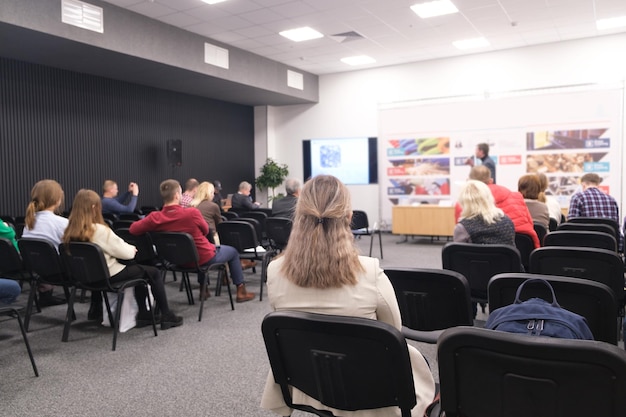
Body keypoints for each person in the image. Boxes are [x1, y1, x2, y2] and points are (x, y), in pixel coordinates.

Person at [260, 175, 435, 417]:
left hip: (307, 385)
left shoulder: (275, 271)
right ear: (349, 217)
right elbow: (393, 331)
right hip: (372, 392)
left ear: (298, 216)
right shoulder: (370, 272)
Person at [63, 189, 182, 330]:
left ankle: (138, 313)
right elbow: (126, 253)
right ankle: (166, 315)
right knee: (153, 272)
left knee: (140, 270)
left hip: (84, 278)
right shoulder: (99, 230)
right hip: (109, 276)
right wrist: (132, 249)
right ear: (94, 208)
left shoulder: (69, 231)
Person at [129, 179, 255, 302]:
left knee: (197, 251)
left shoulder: (154, 218)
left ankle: (204, 289)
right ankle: (241, 291)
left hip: (174, 260)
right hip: (201, 258)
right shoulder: (191, 213)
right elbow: (206, 231)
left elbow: (133, 229)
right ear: (177, 195)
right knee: (232, 252)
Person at [455, 166, 540, 248]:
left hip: (474, 258)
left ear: (468, 181)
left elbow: (460, 237)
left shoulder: (463, 204)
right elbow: (530, 223)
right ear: (491, 180)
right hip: (522, 251)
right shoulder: (516, 197)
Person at [22, 179, 70, 307]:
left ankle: (45, 295)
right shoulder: (62, 223)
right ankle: (96, 306)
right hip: (59, 274)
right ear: (57, 200)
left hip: (36, 271)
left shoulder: (28, 223)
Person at [568, 172, 622, 250]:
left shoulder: (577, 198)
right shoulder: (612, 200)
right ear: (598, 184)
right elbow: (616, 228)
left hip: (585, 248)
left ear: (583, 184)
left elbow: (571, 225)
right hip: (608, 248)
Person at [454, 180, 515, 245]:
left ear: (464, 202)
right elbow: (512, 252)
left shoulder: (462, 228)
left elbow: (457, 254)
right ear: (489, 197)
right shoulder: (507, 222)